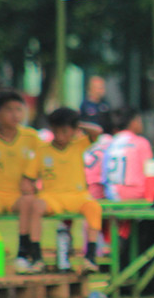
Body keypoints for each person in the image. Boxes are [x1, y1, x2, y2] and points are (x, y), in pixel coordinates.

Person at [0, 90, 46, 274]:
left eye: (19, 109)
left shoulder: (30, 137)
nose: (15, 115)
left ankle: (23, 253)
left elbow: (44, 158)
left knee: (29, 201)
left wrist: (32, 179)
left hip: (18, 194)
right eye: (9, 110)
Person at [26, 107, 103, 272]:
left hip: (78, 196)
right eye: (56, 130)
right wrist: (31, 191)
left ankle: (90, 257)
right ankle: (36, 256)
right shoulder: (42, 151)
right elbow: (29, 178)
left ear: (74, 131)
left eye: (65, 131)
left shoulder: (78, 145)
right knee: (36, 206)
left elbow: (97, 131)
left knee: (94, 207)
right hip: (52, 197)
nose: (60, 136)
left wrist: (76, 123)